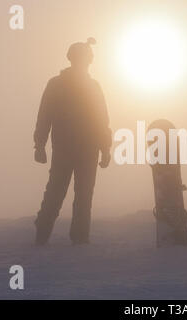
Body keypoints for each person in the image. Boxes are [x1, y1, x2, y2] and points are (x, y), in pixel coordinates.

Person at [33, 38, 112, 245]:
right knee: (58, 193)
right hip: (67, 150)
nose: (85, 62)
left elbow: (101, 119)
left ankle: (79, 239)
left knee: (82, 195)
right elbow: (45, 115)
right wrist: (39, 145)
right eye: (84, 58)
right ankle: (43, 234)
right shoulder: (57, 85)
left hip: (87, 149)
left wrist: (105, 147)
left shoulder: (90, 86)